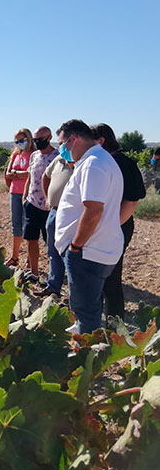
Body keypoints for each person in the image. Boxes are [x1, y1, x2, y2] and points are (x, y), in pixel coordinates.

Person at [55, 119, 124, 333]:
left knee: (87, 312)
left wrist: (75, 246)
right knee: (86, 306)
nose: (62, 150)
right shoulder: (97, 160)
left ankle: (87, 357)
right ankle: (84, 337)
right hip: (93, 249)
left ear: (73, 139)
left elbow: (93, 210)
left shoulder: (94, 163)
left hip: (88, 251)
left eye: (62, 144)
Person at [91, 124, 146, 322]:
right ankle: (94, 321)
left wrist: (111, 226)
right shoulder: (99, 162)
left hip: (116, 227)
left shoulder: (123, 163)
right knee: (95, 276)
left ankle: (114, 325)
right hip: (100, 226)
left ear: (101, 140)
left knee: (111, 277)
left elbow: (132, 201)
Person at [22, 126, 59, 281]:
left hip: (49, 207)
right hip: (32, 203)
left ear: (49, 138)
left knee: (51, 243)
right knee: (31, 239)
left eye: (40, 140)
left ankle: (54, 277)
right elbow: (30, 177)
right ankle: (34, 273)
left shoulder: (58, 156)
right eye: (35, 140)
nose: (37, 143)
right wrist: (24, 197)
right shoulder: (34, 155)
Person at [35, 154, 74, 297]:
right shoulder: (59, 159)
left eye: (65, 141)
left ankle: (73, 296)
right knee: (53, 250)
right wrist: (47, 198)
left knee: (70, 255)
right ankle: (53, 287)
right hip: (54, 211)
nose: (62, 145)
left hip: (71, 214)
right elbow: (46, 176)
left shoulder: (84, 162)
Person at [4, 128, 34, 266]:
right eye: (16, 141)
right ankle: (15, 257)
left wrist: (17, 174)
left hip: (29, 193)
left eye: (21, 140)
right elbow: (8, 174)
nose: (18, 143)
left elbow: (31, 174)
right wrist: (20, 173)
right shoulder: (15, 155)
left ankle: (30, 259)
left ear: (28, 139)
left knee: (28, 226)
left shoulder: (34, 154)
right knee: (16, 225)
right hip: (14, 192)